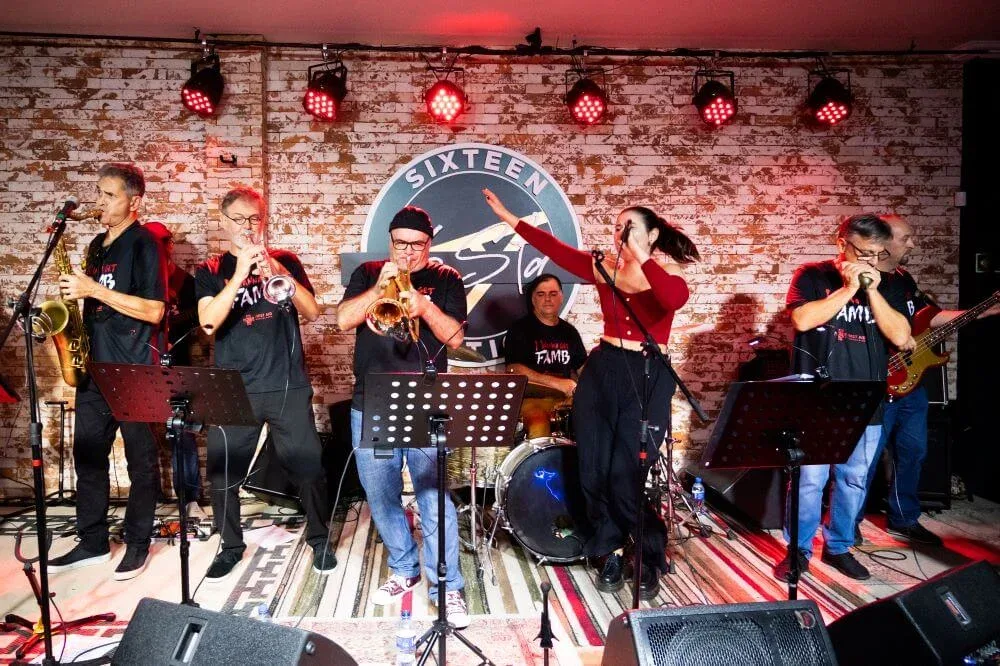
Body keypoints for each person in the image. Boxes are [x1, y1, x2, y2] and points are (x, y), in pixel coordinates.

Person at [483, 188, 698, 600]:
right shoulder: (603, 269)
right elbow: (554, 249)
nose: (620, 234)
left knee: (626, 475)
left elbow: (673, 298)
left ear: (652, 235)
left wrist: (642, 256)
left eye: (629, 227)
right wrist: (509, 217)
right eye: (616, 228)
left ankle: (647, 551)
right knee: (593, 469)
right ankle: (609, 549)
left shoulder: (667, 274)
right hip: (604, 370)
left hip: (648, 373)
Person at [336, 206, 470, 627]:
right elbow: (342, 320)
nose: (408, 252)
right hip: (371, 400)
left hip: (428, 402)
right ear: (390, 242)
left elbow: (455, 339)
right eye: (400, 244)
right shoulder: (367, 273)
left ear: (430, 243)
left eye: (417, 244)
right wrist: (379, 289)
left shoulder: (447, 278)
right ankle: (404, 566)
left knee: (434, 496)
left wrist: (424, 307)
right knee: (380, 493)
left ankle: (446, 586)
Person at [194, 186, 334, 582]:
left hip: (286, 384)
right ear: (224, 222)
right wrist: (240, 273)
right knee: (223, 473)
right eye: (239, 219)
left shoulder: (285, 261)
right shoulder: (209, 270)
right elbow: (208, 323)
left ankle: (320, 539)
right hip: (234, 388)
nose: (247, 226)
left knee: (308, 466)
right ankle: (230, 546)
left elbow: (312, 312)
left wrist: (276, 269)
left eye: (255, 218)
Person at [777, 213, 911, 582]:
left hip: (866, 399)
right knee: (809, 481)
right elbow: (803, 320)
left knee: (854, 480)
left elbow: (901, 337)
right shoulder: (812, 275)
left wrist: (872, 291)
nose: (871, 261)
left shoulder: (890, 283)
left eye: (878, 254)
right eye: (864, 253)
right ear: (842, 243)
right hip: (817, 398)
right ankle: (798, 549)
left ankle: (838, 547)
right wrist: (850, 288)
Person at [48, 163, 166, 580]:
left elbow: (154, 310)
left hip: (133, 368)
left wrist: (92, 289)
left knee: (140, 462)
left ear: (134, 202)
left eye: (108, 195)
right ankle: (93, 541)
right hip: (94, 368)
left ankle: (138, 543)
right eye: (98, 193)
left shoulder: (146, 243)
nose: (99, 201)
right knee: (88, 456)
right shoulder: (97, 244)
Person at [855, 214, 1000, 546]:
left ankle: (904, 518)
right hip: (879, 384)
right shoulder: (865, 282)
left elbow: (930, 318)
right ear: (883, 243)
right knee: (866, 460)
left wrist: (984, 310)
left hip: (913, 387)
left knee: (913, 453)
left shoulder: (904, 279)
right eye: (905, 238)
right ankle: (850, 521)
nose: (912, 244)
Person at [144, 222, 204, 519]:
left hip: (176, 365)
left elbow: (200, 316)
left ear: (169, 246)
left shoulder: (185, 282)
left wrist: (171, 325)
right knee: (141, 437)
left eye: (158, 244)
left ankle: (190, 500)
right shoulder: (137, 279)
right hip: (141, 365)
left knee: (183, 433)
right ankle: (148, 499)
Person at [503, 273, 587, 397]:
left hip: (563, 402)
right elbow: (514, 369)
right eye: (541, 294)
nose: (547, 299)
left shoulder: (569, 331)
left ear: (561, 297)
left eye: (553, 294)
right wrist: (557, 383)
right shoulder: (519, 329)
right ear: (533, 299)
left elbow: (582, 367)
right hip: (531, 402)